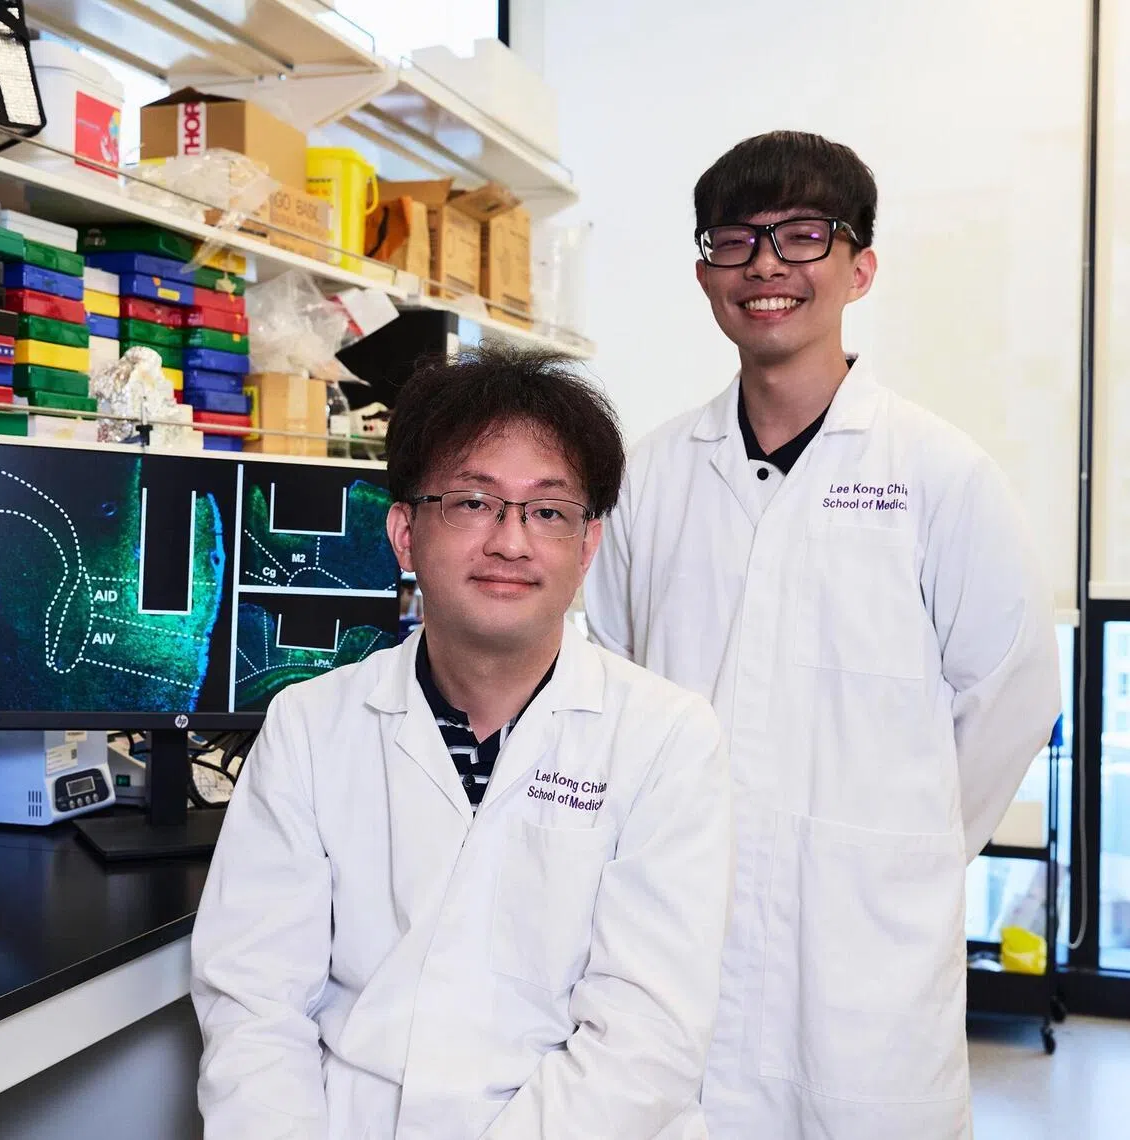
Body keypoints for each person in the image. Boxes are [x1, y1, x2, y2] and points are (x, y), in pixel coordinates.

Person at [583, 130, 1061, 1140]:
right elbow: (618, 681)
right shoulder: (652, 476)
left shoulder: (939, 475)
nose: (766, 266)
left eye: (803, 236)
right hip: (679, 937)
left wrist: (903, 851)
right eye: (735, 240)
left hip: (868, 957)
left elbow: (1011, 697)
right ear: (705, 275)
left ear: (861, 268)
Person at [191, 344, 731, 1140]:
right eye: (473, 502)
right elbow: (254, 1007)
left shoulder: (667, 738)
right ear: (404, 533)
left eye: (548, 511)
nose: (511, 541)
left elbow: (645, 1043)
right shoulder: (310, 725)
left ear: (587, 546)